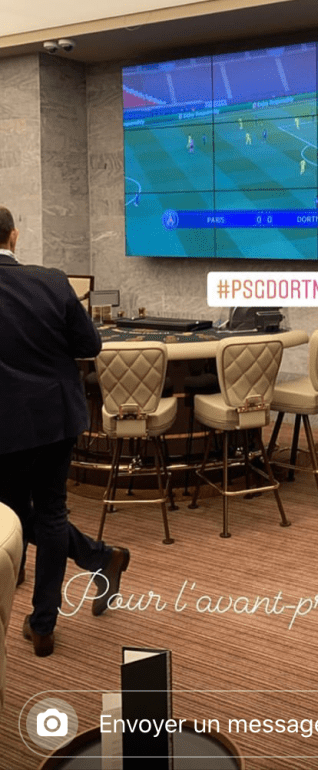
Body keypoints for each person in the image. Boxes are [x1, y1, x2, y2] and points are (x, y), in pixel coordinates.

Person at [0, 207, 129, 657]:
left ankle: (96, 562)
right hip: (57, 417)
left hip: (7, 425)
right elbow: (90, 345)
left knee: (17, 517)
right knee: (48, 513)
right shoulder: (54, 281)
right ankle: (49, 619)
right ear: (14, 237)